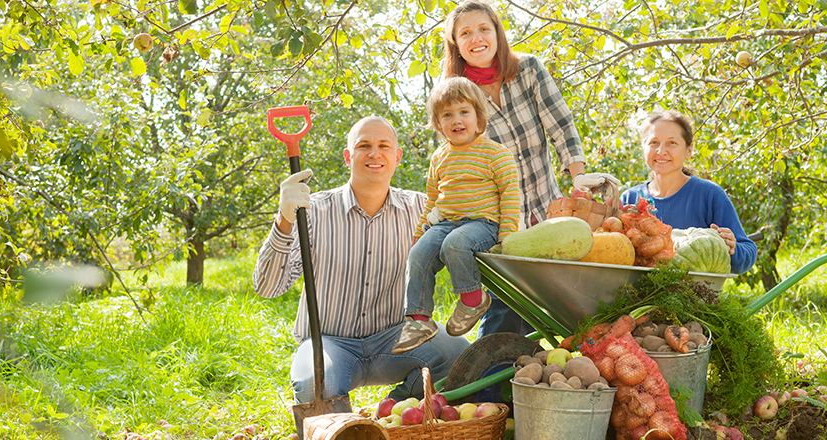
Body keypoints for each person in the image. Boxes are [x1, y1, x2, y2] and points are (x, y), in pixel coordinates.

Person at [253, 116, 470, 405]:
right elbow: (267, 288)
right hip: (330, 343)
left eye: (383, 145)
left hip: (397, 337)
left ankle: (394, 411)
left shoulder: (421, 209)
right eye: (364, 145)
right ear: (348, 156)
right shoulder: (312, 212)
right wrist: (284, 219)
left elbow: (472, 225)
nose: (374, 153)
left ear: (397, 156)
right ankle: (345, 432)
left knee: (459, 357)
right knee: (312, 384)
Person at [440, 0, 618, 336]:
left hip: (547, 210)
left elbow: (561, 126)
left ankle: (575, 367)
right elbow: (458, 162)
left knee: (565, 301)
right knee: (506, 309)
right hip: (499, 220)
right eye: (465, 33)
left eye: (483, 29)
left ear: (496, 32)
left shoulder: (529, 70)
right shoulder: (453, 95)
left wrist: (578, 174)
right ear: (456, 44)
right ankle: (490, 383)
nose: (476, 38)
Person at [391, 77, 521, 354]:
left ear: (478, 116)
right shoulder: (439, 157)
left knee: (455, 244)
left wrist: (507, 234)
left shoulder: (496, 154)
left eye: (464, 112)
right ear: (438, 123)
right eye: (447, 115)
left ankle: (473, 299)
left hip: (484, 224)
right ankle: (419, 320)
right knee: (418, 255)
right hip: (446, 222)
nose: (456, 120)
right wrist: (420, 231)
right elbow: (434, 201)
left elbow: (510, 195)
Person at [620, 110, 756, 274]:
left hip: (693, 296)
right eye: (654, 142)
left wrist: (732, 249)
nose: (661, 151)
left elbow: (748, 253)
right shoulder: (629, 199)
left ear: (689, 150)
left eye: (672, 143)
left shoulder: (709, 195)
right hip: (636, 296)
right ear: (643, 147)